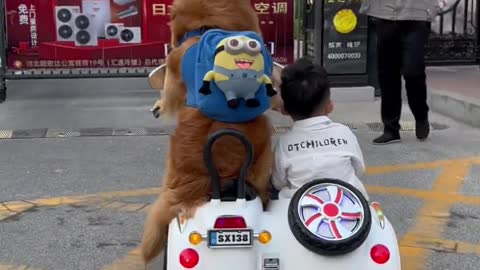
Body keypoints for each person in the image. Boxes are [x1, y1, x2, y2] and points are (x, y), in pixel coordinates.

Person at [271, 58, 368, 199]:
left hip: (300, 213)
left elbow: (278, 182)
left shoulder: (284, 144)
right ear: (329, 106)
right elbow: (359, 170)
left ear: (284, 110)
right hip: (348, 206)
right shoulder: (344, 132)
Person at [360, 0, 440, 144]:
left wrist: (438, 4)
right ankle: (391, 129)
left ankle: (421, 114)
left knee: (413, 72)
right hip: (384, 13)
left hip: (417, 14)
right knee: (388, 75)